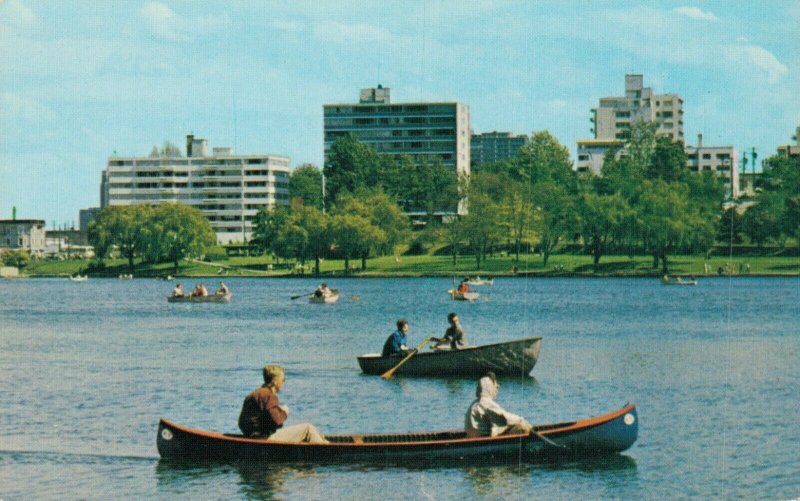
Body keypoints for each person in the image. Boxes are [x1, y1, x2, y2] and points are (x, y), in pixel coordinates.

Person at [238, 365, 328, 443]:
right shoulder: (269, 396)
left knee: (314, 431)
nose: (283, 382)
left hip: (252, 437)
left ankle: (324, 442)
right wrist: (284, 411)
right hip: (264, 439)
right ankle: (326, 450)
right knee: (308, 428)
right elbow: (278, 421)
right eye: (283, 379)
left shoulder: (253, 394)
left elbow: (242, 423)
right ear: (275, 381)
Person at [465, 372, 532, 438]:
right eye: (495, 384)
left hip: (475, 437)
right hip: (481, 440)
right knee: (522, 426)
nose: (498, 387)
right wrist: (521, 420)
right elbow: (505, 417)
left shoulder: (474, 404)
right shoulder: (485, 402)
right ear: (489, 387)